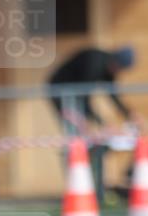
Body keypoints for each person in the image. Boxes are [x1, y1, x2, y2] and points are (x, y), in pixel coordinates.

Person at [48, 46, 135, 202]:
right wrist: (100, 122)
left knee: (88, 137)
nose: (118, 72)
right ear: (116, 62)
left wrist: (130, 114)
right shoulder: (94, 63)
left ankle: (91, 189)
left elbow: (113, 95)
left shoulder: (109, 69)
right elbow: (85, 98)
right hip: (60, 92)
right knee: (76, 137)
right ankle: (76, 188)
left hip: (73, 94)